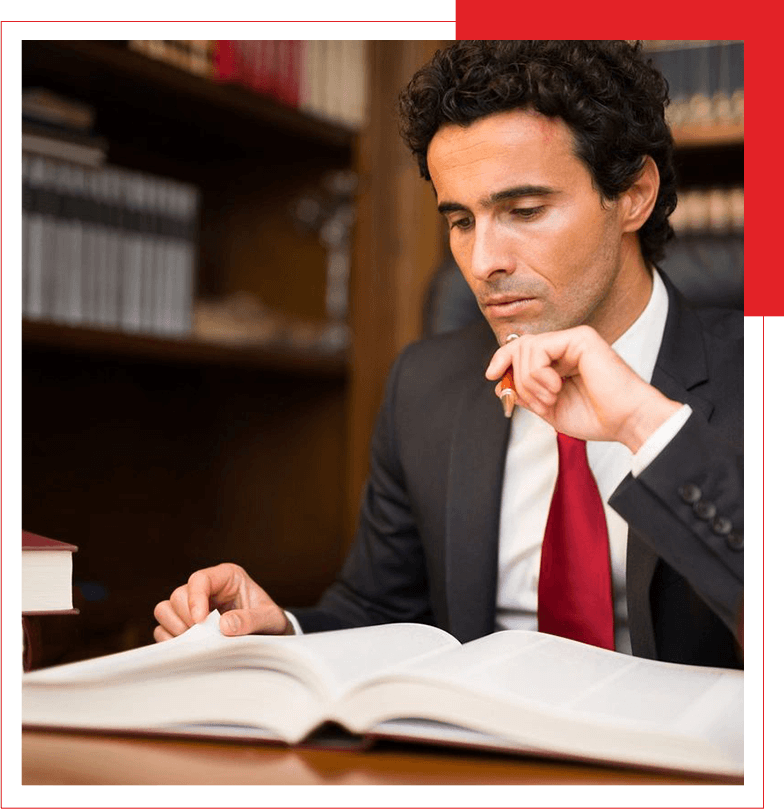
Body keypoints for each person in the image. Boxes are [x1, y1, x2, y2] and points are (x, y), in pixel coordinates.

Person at [153, 41, 743, 668]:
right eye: (461, 221)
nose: (485, 263)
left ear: (633, 195)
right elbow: (380, 614)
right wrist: (283, 633)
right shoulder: (426, 383)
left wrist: (643, 425)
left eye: (523, 210)